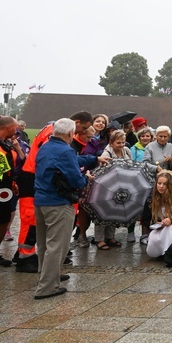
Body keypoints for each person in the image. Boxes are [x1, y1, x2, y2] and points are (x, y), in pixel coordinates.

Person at [33, 118, 96, 299]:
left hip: (41, 200)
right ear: (70, 134)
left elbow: (73, 159)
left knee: (44, 244)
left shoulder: (45, 147)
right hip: (58, 203)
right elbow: (76, 179)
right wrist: (87, 178)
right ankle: (47, 288)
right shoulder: (66, 150)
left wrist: (93, 159)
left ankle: (46, 277)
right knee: (57, 246)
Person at [142, 170, 172, 258]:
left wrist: (171, 220)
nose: (161, 186)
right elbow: (145, 218)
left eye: (164, 184)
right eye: (159, 183)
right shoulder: (151, 199)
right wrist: (155, 222)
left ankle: (168, 254)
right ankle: (160, 252)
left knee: (170, 229)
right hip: (158, 226)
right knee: (153, 242)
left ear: (169, 185)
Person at [0, 117, 21, 267]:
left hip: (5, 189)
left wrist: (12, 182)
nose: (17, 130)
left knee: (4, 219)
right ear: (9, 128)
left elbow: (6, 168)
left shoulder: (7, 144)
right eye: (15, 127)